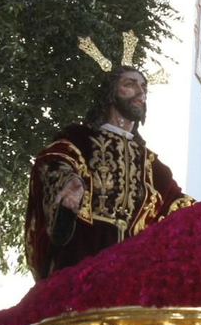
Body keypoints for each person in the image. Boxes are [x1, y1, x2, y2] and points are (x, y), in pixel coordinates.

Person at [25, 66, 192, 280]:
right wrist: (70, 182)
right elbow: (56, 160)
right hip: (83, 253)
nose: (140, 92)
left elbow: (178, 205)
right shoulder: (81, 137)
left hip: (131, 265)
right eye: (130, 84)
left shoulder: (153, 165)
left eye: (144, 87)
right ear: (111, 93)